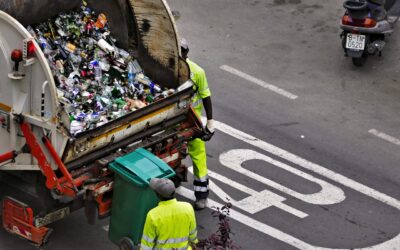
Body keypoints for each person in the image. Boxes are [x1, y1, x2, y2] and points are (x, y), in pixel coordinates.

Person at [180, 38, 215, 210]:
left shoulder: (197, 72)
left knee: (199, 158)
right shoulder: (167, 68)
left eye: (183, 52)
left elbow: (206, 96)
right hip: (173, 120)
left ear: (187, 53)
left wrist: (210, 123)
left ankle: (202, 195)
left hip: (192, 122)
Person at [140, 178, 198, 250]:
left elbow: (147, 244)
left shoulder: (153, 215)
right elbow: (193, 233)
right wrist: (194, 243)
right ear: (174, 191)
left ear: (158, 195)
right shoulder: (188, 208)